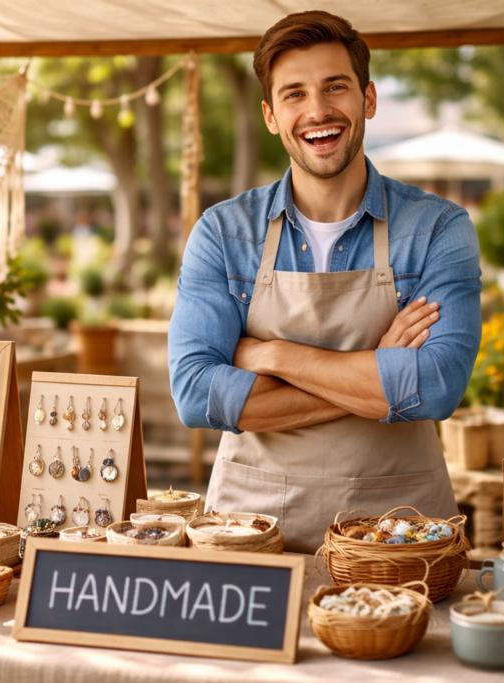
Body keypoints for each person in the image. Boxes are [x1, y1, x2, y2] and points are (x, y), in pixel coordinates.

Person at [168, 11, 482, 554]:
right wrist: (378, 372)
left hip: (399, 533)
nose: (317, 111)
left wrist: (272, 354)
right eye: (294, 94)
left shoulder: (437, 228)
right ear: (270, 115)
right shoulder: (224, 232)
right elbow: (196, 394)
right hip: (249, 531)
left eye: (335, 87)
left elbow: (435, 386)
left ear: (369, 99)